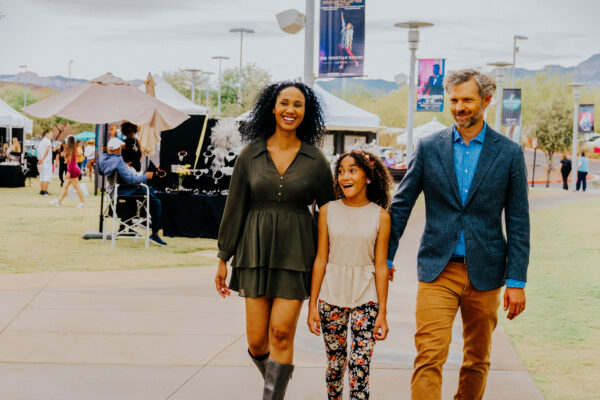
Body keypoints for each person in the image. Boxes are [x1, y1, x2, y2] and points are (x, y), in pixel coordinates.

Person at [387, 69, 530, 400]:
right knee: (429, 356)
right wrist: (388, 255)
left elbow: (519, 221)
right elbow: (402, 205)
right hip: (439, 269)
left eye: (467, 99)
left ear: (486, 101)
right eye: (454, 100)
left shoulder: (509, 153)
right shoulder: (427, 147)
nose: (459, 107)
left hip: (487, 273)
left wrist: (517, 281)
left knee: (477, 359)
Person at [215, 81, 334, 399]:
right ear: (272, 107)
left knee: (281, 333)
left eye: (298, 105)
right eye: (285, 103)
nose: (290, 110)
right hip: (254, 251)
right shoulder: (250, 154)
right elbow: (235, 206)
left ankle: (273, 396)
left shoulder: (315, 160)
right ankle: (279, 382)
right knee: (257, 341)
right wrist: (223, 257)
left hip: (297, 254)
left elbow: (330, 212)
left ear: (306, 113)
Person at [307, 150, 392, 400]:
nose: (345, 176)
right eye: (341, 171)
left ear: (368, 176)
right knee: (335, 366)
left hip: (366, 299)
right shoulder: (327, 211)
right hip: (331, 295)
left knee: (359, 367)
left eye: (352, 170)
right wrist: (312, 305)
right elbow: (321, 258)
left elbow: (380, 266)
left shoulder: (381, 216)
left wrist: (382, 313)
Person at [98, 137, 167, 247]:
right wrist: (146, 176)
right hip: (125, 190)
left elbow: (109, 171)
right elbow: (131, 180)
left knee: (148, 193)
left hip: (113, 191)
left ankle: (145, 222)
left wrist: (124, 168)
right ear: (117, 149)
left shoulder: (103, 159)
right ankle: (153, 231)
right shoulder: (118, 160)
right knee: (155, 200)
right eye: (120, 148)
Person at [50, 136, 87, 208]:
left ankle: (83, 203)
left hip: (72, 170)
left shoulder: (71, 150)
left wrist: (68, 172)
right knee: (65, 186)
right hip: (74, 169)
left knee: (75, 187)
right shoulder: (73, 149)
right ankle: (58, 201)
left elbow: (70, 163)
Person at [37, 130, 53, 195]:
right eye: (49, 134)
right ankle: (45, 190)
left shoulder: (41, 141)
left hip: (41, 161)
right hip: (47, 161)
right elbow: (47, 150)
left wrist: (40, 159)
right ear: (47, 134)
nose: (50, 135)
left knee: (42, 175)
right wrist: (43, 159)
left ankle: (42, 190)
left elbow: (38, 152)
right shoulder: (47, 141)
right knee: (47, 175)